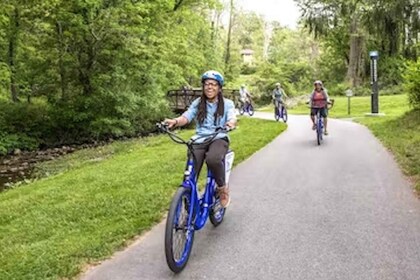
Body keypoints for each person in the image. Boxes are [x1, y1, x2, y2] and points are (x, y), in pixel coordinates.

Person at [165, 70, 237, 208]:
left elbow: (232, 116)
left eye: (213, 84)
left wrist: (230, 123)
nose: (210, 87)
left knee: (213, 159)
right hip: (199, 139)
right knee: (191, 169)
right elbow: (186, 116)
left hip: (219, 137)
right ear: (203, 87)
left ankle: (222, 189)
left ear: (219, 88)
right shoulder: (198, 103)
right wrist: (175, 121)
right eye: (207, 84)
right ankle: (188, 196)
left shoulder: (227, 103)